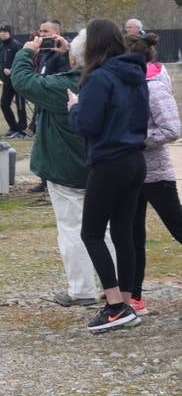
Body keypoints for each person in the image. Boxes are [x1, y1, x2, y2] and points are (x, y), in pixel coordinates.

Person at [66, 18, 149, 332]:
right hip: (135, 158)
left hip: (110, 160)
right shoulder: (135, 72)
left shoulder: (98, 78)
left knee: (91, 233)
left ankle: (114, 304)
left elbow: (87, 125)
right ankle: (127, 301)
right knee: (123, 233)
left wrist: (74, 107)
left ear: (91, 46)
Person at [10, 31, 102, 306]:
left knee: (72, 229)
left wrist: (27, 51)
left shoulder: (63, 86)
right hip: (103, 167)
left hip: (66, 169)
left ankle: (82, 289)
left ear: (76, 56)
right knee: (108, 229)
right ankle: (118, 286)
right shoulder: (109, 80)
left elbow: (23, 81)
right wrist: (72, 56)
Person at [126, 32, 182, 314]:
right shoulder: (126, 85)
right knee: (133, 237)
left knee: (177, 227)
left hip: (157, 174)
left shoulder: (155, 87)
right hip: (131, 175)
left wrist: (136, 139)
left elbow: (173, 129)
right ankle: (134, 297)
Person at [0, 25, 28, 138]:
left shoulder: (16, 45)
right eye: (1, 31)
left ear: (10, 33)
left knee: (20, 105)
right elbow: (3, 65)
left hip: (18, 81)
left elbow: (24, 61)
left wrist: (13, 71)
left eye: (5, 31)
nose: (3, 33)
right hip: (7, 83)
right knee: (4, 104)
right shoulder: (0, 47)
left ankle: (22, 130)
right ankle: (14, 128)